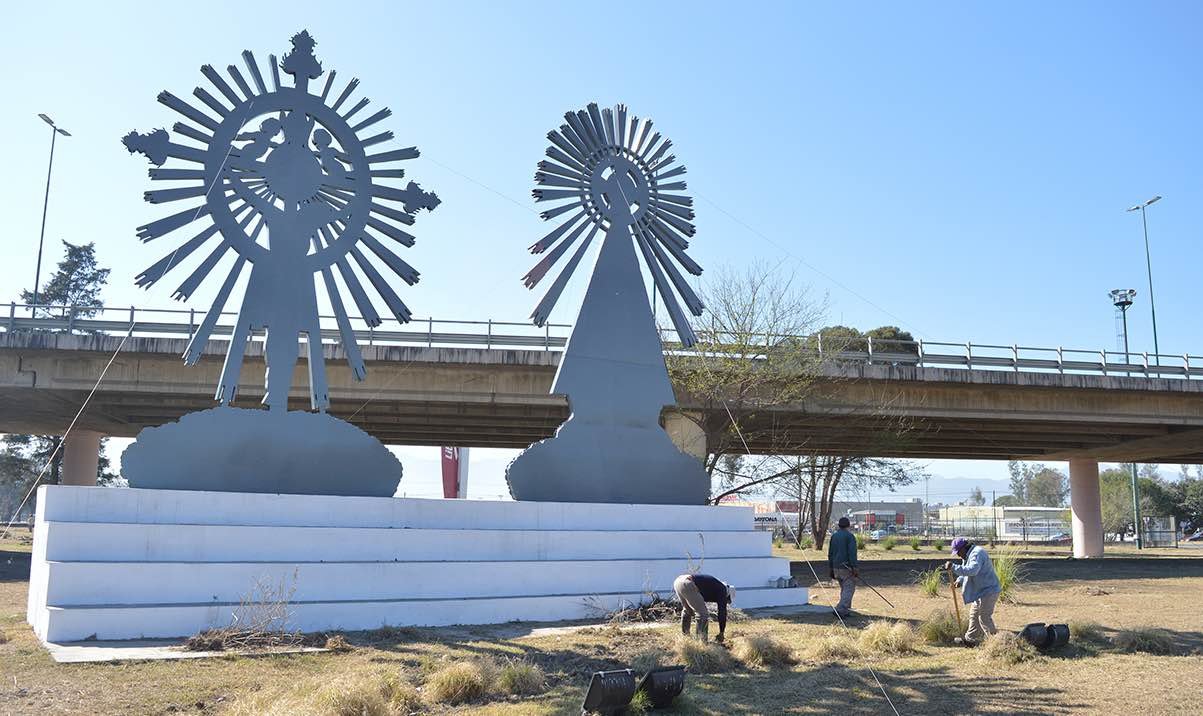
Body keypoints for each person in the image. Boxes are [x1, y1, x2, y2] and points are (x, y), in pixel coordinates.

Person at [943, 536, 1001, 646]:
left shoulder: (977, 553)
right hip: (980, 591)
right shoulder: (967, 555)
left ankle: (997, 643)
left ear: (964, 548)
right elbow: (966, 567)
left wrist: (954, 567)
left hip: (989, 590)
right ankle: (970, 640)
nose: (959, 555)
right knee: (973, 615)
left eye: (958, 552)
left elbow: (973, 570)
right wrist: (959, 580)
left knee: (984, 617)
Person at [672, 573, 735, 642]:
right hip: (688, 583)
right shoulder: (722, 590)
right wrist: (721, 632)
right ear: (728, 594)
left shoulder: (714, 587)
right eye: (727, 600)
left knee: (688, 610)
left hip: (678, 581)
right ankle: (701, 642)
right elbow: (722, 613)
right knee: (703, 614)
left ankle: (685, 637)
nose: (725, 602)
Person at [827, 516, 859, 617]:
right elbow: (852, 553)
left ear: (839, 525)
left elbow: (830, 553)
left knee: (844, 589)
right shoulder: (850, 536)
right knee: (849, 588)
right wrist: (854, 567)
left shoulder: (834, 536)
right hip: (846, 567)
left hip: (836, 567)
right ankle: (840, 610)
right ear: (848, 525)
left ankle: (846, 610)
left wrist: (831, 568)